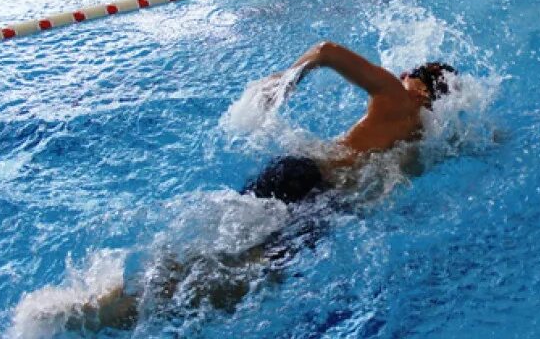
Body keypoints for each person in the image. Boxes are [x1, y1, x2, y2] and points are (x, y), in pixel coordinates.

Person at [44, 42, 457, 331]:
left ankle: (109, 303)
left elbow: (327, 50)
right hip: (314, 190)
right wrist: (285, 81)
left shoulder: (401, 102)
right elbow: (327, 50)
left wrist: (285, 82)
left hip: (303, 177)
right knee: (247, 275)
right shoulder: (421, 132)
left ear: (413, 79)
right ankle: (117, 312)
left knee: (231, 261)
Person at [242, 41, 457, 203]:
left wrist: (284, 81)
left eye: (407, 74)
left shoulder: (397, 95)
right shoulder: (428, 140)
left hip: (306, 173)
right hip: (329, 198)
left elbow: (326, 51)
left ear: (421, 88)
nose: (401, 77)